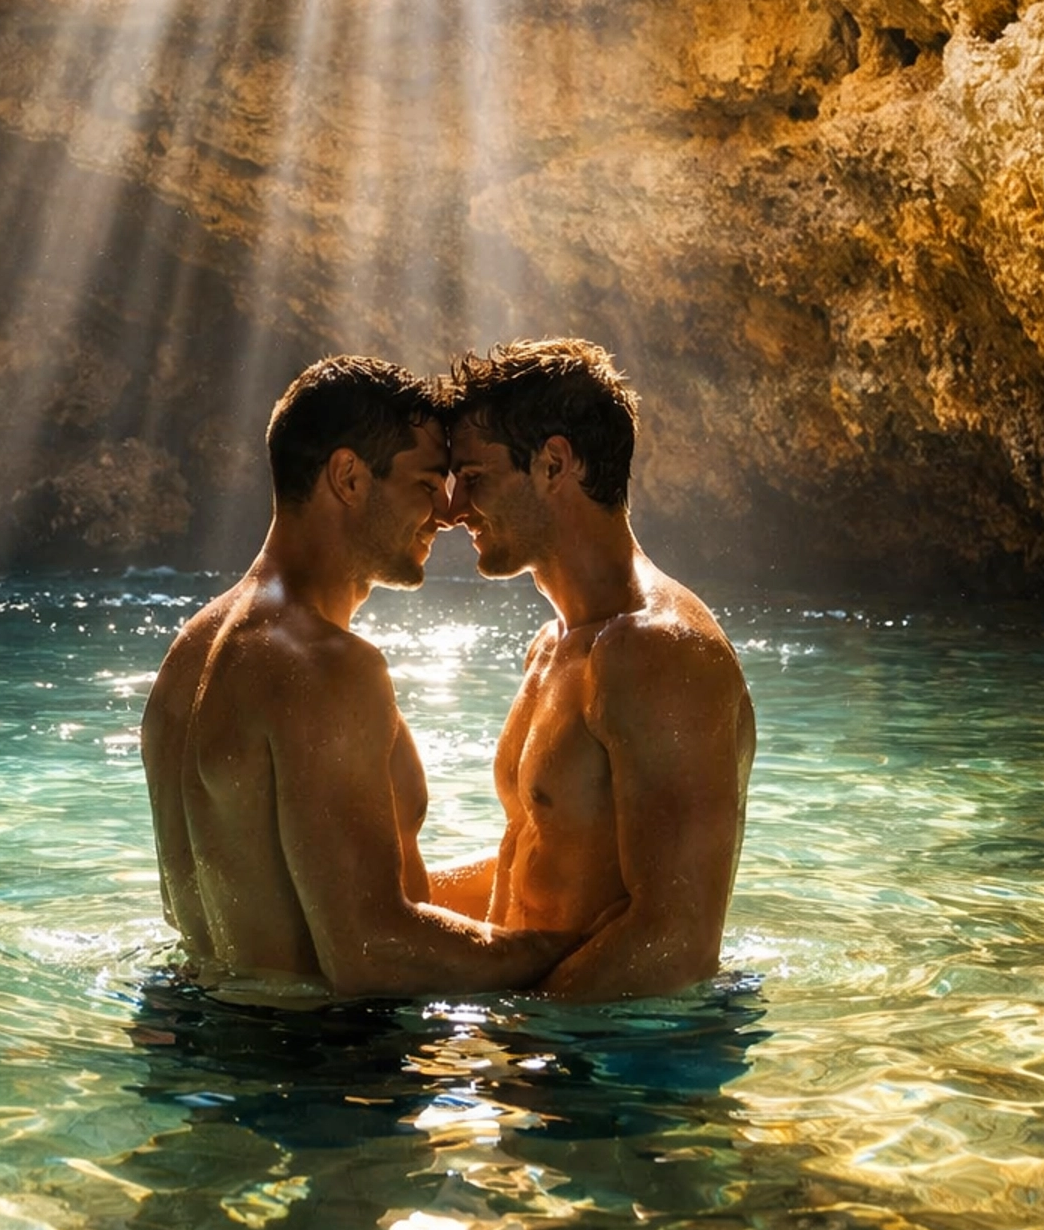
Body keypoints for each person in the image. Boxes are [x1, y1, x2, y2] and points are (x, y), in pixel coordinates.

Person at [140, 355, 580, 998]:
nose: (448, 512)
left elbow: (302, 899)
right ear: (348, 476)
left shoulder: (192, 651)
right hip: (329, 1073)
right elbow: (374, 952)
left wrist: (545, 875)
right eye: (427, 484)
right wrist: (566, 947)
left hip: (220, 1040)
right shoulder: (322, 665)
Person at [438, 338, 755, 1000]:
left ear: (554, 464)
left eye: (474, 478)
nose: (452, 509)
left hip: (622, 1068)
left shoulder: (657, 653)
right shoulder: (554, 646)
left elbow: (675, 940)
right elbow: (529, 859)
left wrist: (510, 1046)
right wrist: (382, 903)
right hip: (556, 1037)